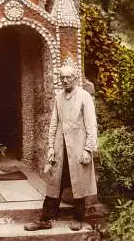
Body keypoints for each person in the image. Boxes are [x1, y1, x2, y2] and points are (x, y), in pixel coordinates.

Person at [24, 56, 98, 231]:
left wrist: (88, 149)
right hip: (60, 148)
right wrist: (50, 146)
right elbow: (53, 123)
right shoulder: (59, 97)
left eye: (68, 77)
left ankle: (78, 218)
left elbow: (91, 124)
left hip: (79, 147)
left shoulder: (84, 96)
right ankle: (46, 219)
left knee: (78, 183)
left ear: (75, 78)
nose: (65, 81)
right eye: (62, 78)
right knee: (54, 183)